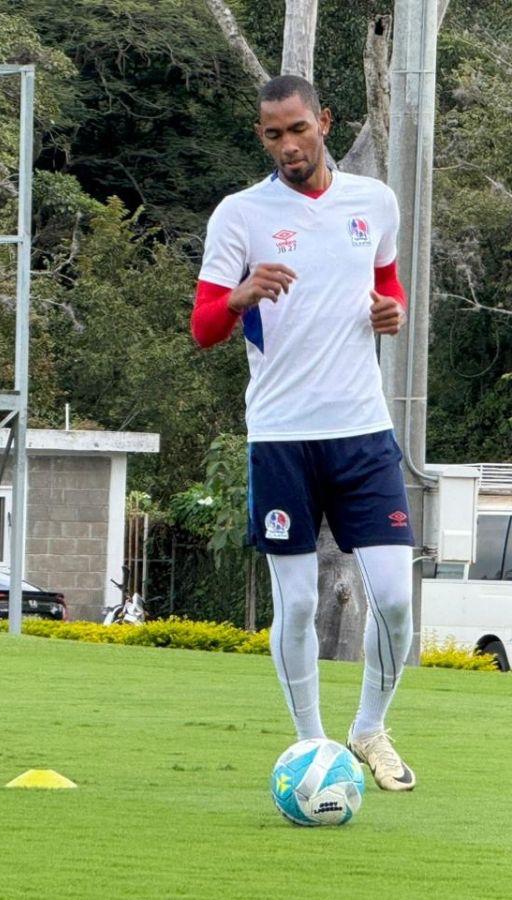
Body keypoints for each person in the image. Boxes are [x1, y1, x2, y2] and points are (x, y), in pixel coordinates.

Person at [191, 74, 416, 791]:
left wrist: (393, 313)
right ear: (261, 138)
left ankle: (370, 729)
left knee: (396, 597)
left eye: (297, 129)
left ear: (323, 121)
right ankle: (315, 751)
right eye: (271, 134)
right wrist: (242, 294)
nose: (288, 145)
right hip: (282, 435)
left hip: (363, 430)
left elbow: (389, 286)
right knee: (295, 603)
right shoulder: (240, 215)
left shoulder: (373, 202)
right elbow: (204, 328)